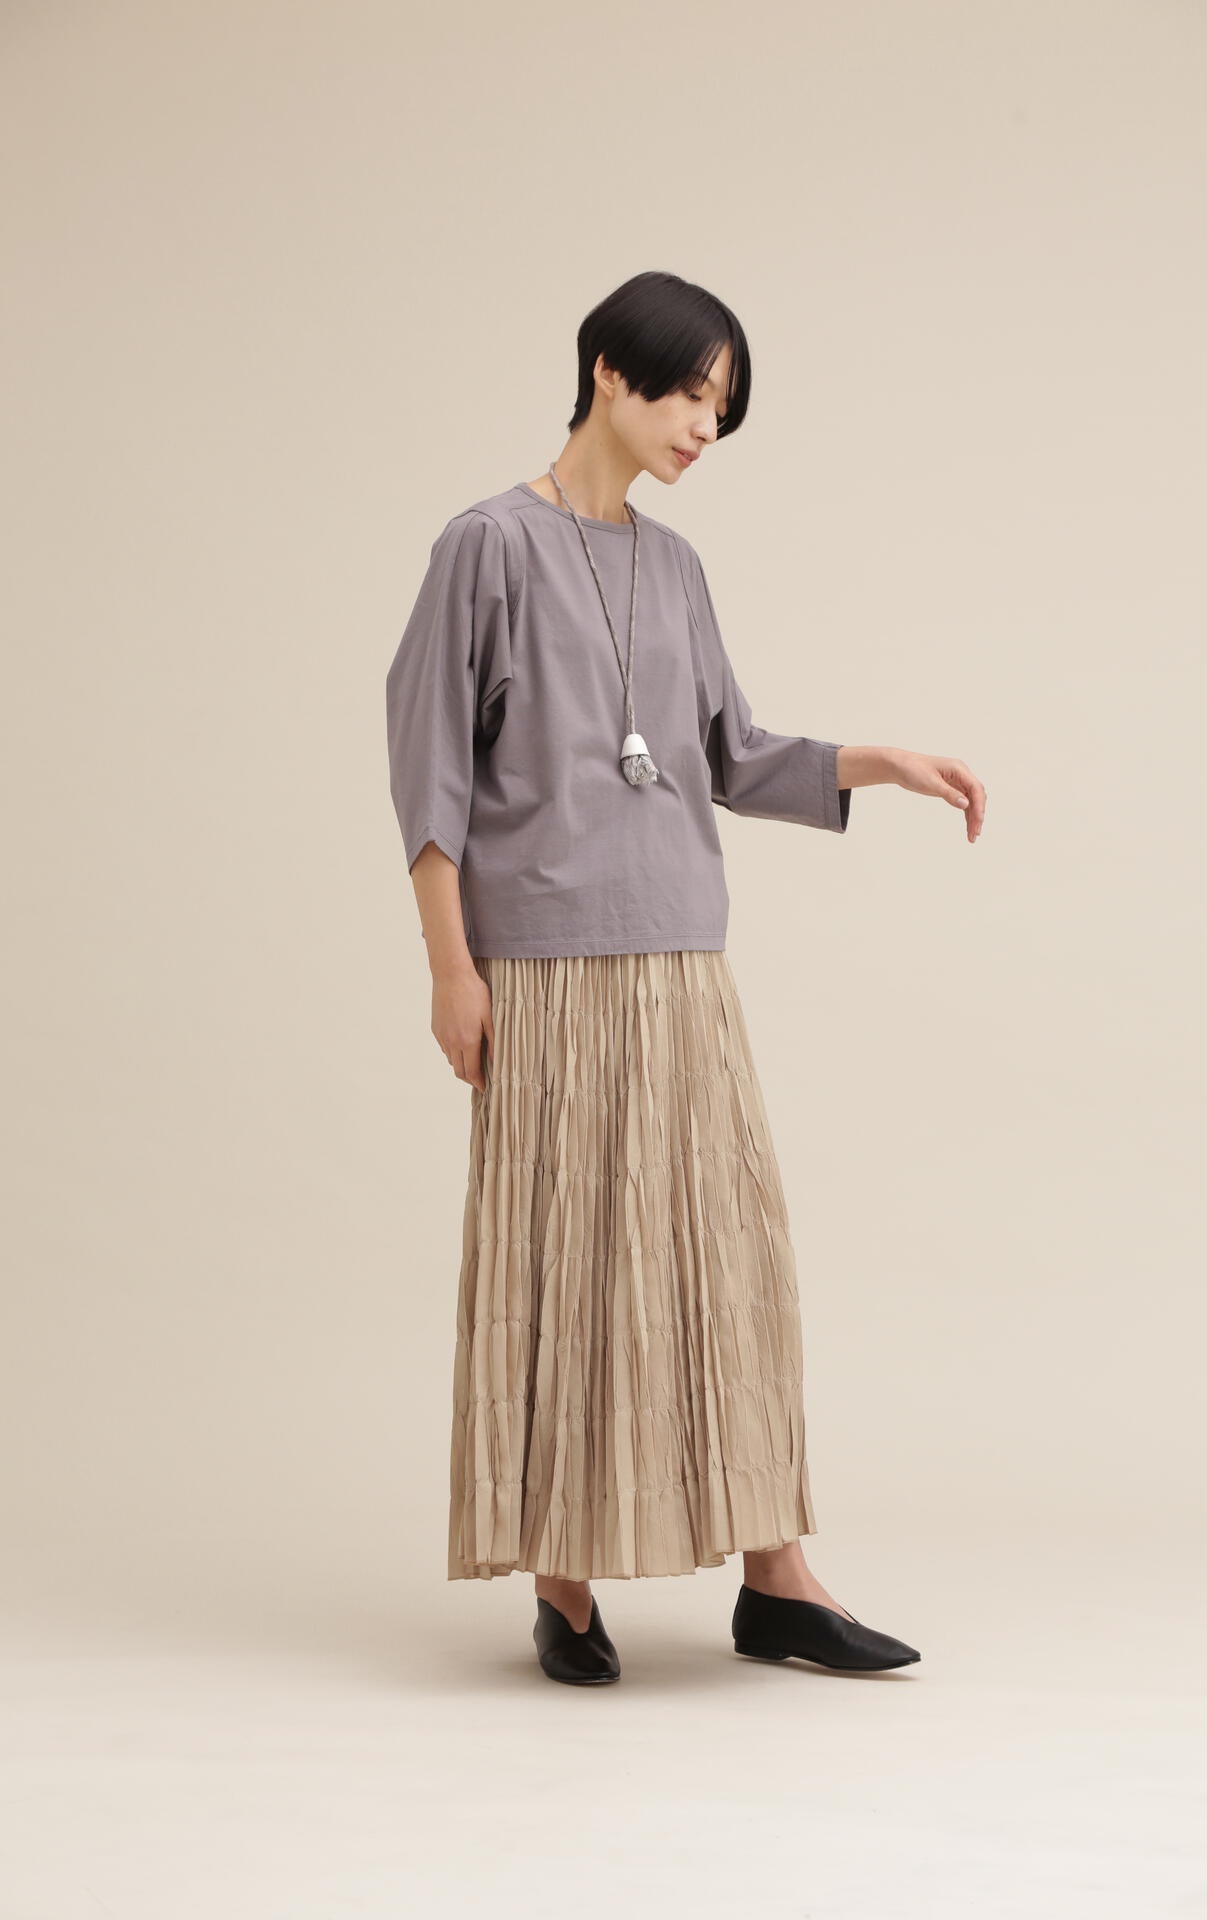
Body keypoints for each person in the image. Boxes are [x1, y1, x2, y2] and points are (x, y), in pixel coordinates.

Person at [385, 270, 985, 1686]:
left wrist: (879, 762)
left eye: (723, 406)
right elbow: (428, 772)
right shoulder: (487, 546)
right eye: (691, 393)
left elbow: (731, 756)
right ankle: (564, 1585)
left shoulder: (681, 568)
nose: (705, 426)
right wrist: (450, 970)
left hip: (683, 964)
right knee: (567, 1262)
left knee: (726, 1263)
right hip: (544, 967)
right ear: (609, 370)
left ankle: (777, 1580)